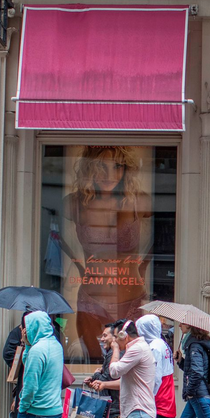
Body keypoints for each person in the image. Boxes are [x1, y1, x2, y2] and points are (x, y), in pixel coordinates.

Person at [62, 145, 153, 362]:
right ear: (89, 169)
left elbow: (165, 237)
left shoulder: (139, 201)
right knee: (96, 365)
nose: (109, 175)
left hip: (131, 299)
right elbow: (58, 239)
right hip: (91, 300)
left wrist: (142, 266)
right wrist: (80, 267)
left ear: (126, 169)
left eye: (117, 166)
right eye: (101, 167)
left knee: (131, 366)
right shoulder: (73, 203)